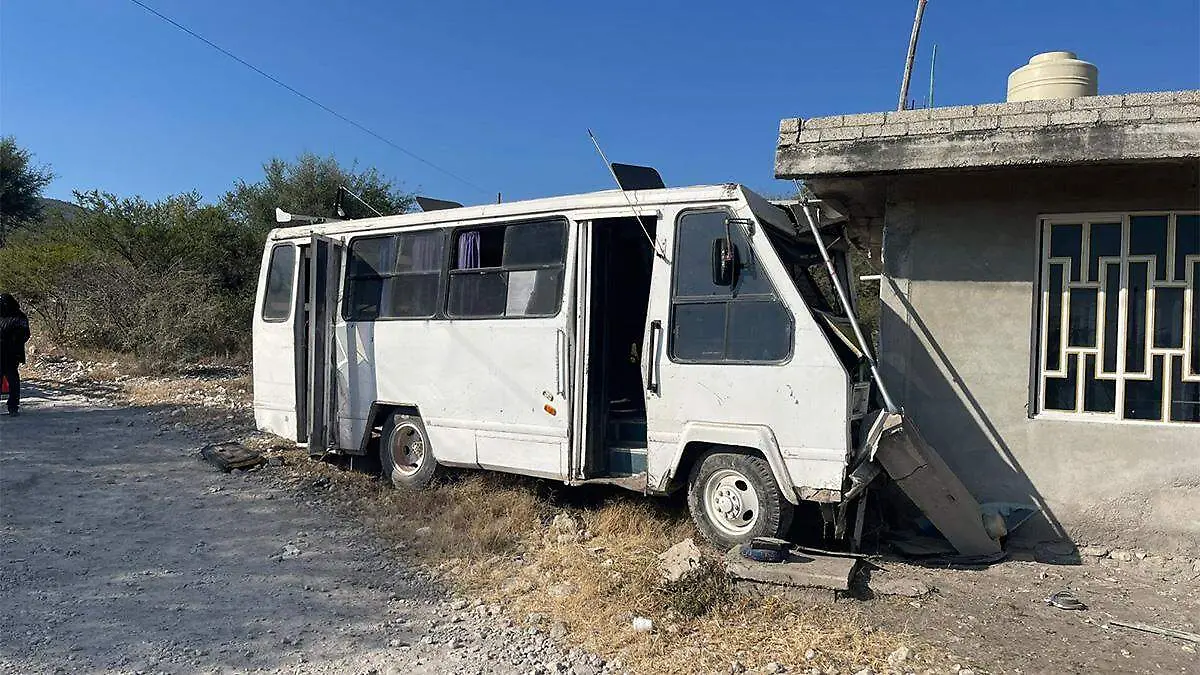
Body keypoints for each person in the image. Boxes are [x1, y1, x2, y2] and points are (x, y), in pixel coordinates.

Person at [0, 293, 31, 416]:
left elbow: (25, 334)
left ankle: (13, 406)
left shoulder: (19, 317)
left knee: (12, 379)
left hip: (11, 354)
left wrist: (12, 342)